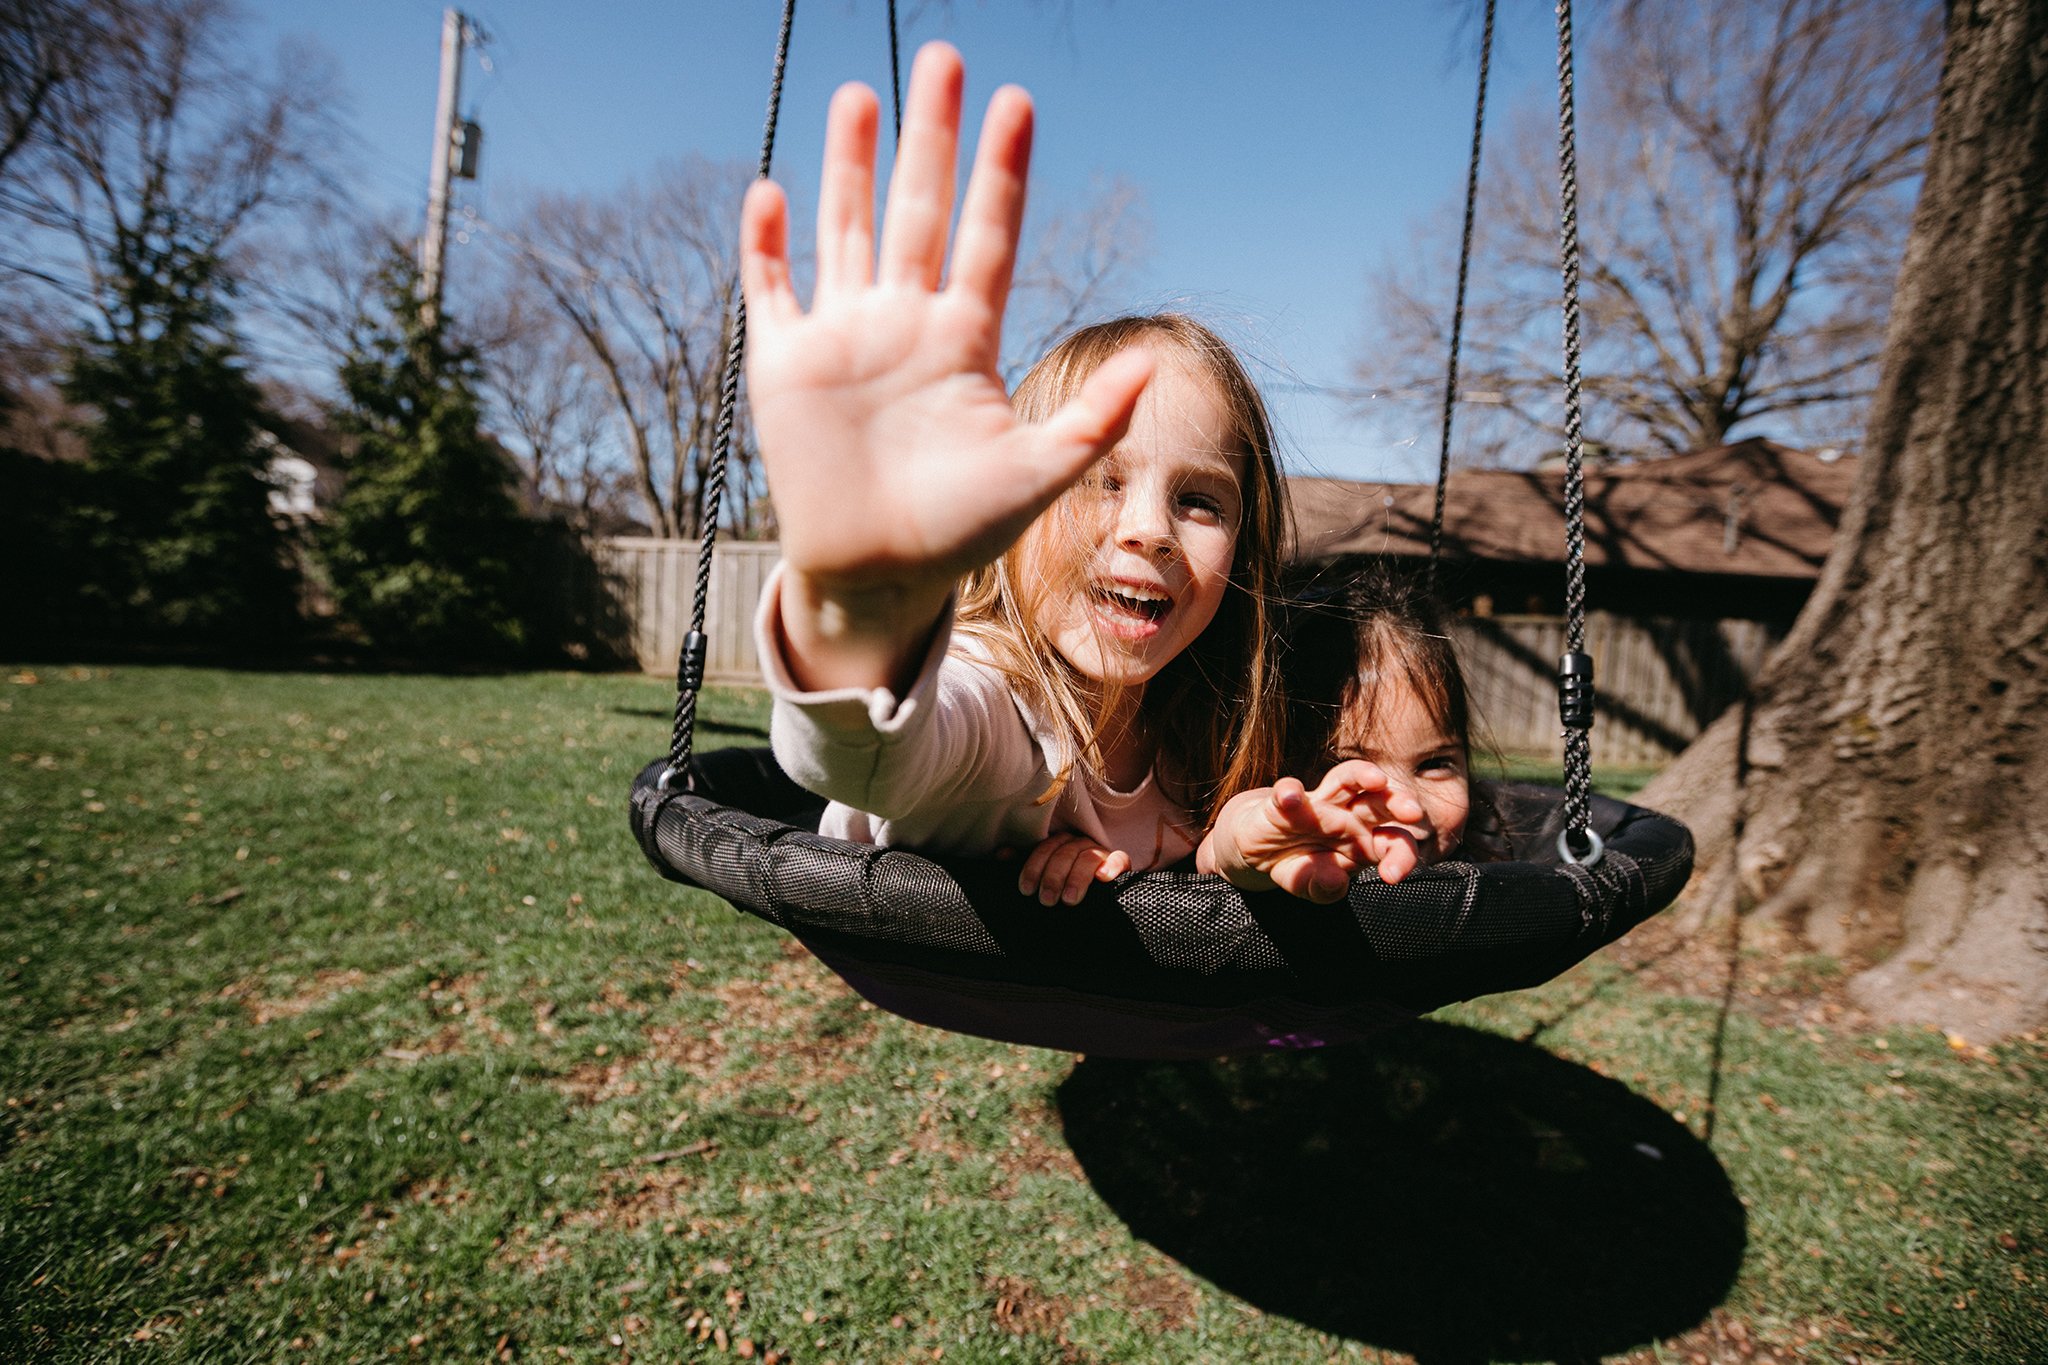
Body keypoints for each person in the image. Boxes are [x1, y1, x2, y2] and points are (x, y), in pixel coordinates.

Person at [742, 43, 1295, 875]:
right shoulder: (998, 703)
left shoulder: (1194, 744)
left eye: (1201, 501)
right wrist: (860, 613)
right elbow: (871, 762)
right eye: (1099, 479)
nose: (1150, 529)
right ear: (1010, 512)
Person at [1020, 567, 1481, 905]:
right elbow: (1230, 848)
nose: (1408, 806)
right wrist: (1095, 862)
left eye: (1436, 763)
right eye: (1346, 767)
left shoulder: (1481, 885)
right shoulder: (1216, 832)